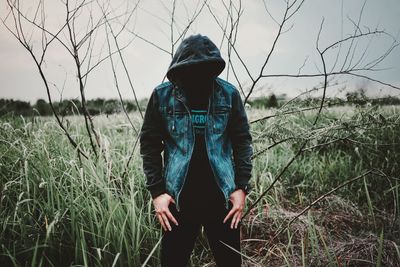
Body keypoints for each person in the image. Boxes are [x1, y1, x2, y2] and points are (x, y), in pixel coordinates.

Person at [139, 34, 253, 267]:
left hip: (222, 199)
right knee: (173, 262)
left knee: (230, 262)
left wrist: (241, 188)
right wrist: (157, 193)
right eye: (191, 70)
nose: (198, 75)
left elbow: (242, 141)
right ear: (180, 69)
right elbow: (149, 144)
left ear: (214, 68)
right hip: (177, 201)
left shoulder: (228, 95)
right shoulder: (162, 96)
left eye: (205, 69)